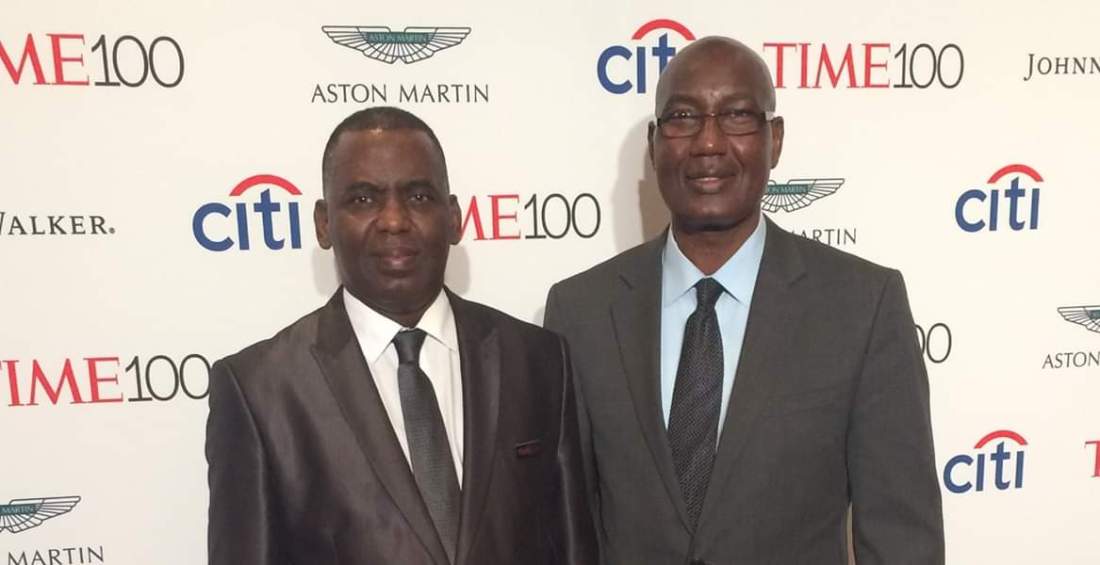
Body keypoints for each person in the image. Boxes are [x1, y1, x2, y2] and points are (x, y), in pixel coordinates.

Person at [544, 37, 944, 564]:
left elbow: (902, 539)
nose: (708, 142)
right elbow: (565, 528)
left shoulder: (863, 307)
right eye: (683, 117)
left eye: (736, 116)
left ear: (774, 140)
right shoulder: (580, 312)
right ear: (654, 143)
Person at [207, 106, 596, 565]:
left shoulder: (538, 360)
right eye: (363, 199)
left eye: (418, 196)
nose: (394, 220)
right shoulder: (260, 390)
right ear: (323, 223)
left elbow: (574, 549)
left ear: (454, 217)